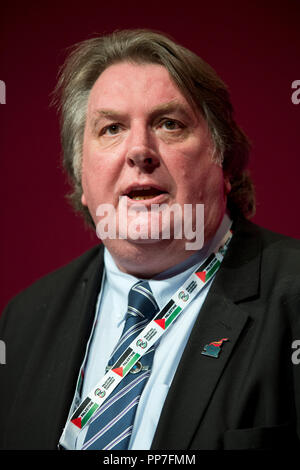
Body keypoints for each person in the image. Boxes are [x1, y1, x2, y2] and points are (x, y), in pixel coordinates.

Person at [0, 29, 299, 451]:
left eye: (169, 124)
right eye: (111, 128)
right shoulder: (24, 321)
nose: (139, 150)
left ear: (224, 163)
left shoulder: (294, 299)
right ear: (82, 176)